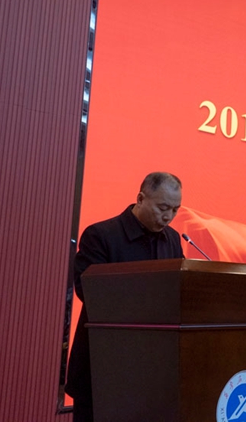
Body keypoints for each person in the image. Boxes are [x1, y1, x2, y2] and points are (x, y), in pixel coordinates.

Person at [65, 172, 184, 422]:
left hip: (152, 371)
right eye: (163, 208)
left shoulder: (172, 239)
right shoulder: (101, 235)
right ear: (140, 198)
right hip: (103, 367)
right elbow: (87, 291)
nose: (168, 217)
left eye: (175, 210)